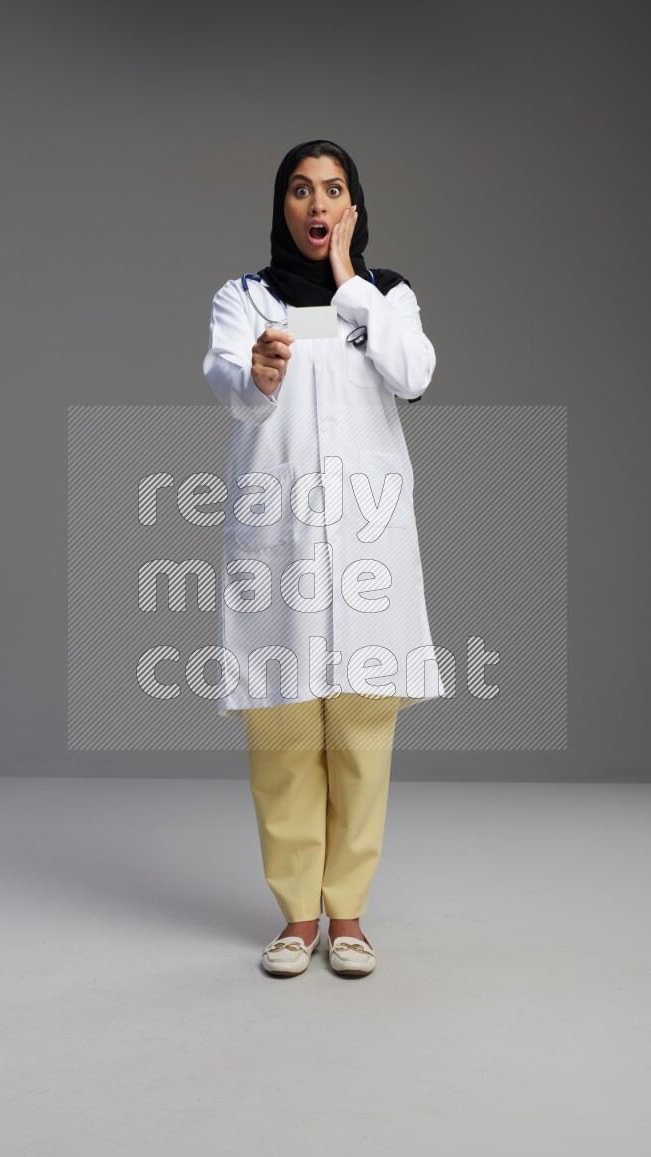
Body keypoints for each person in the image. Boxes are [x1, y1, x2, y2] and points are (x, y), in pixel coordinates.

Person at [202, 139, 445, 977]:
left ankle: (348, 915)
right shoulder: (244, 297)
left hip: (367, 542)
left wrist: (351, 287)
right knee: (281, 730)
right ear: (282, 206)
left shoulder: (386, 296)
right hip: (280, 541)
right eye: (300, 190)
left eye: (332, 190)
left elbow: (412, 374)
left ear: (352, 206)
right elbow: (227, 380)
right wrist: (260, 374)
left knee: (359, 731)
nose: (315, 204)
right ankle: (296, 917)